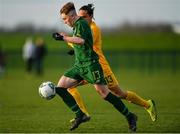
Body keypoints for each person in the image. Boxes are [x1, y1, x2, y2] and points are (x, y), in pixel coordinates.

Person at [53, 2, 137, 132]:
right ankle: (79, 115)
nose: (64, 21)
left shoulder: (81, 23)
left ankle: (130, 116)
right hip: (79, 66)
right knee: (60, 87)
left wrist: (64, 38)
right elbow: (80, 44)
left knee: (104, 94)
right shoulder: (76, 25)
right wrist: (72, 46)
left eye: (65, 18)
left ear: (72, 15)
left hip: (91, 66)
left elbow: (81, 40)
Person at [67, 4, 157, 123]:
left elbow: (83, 42)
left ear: (90, 16)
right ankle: (83, 114)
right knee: (69, 86)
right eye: (79, 16)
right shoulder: (83, 27)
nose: (80, 19)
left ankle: (147, 104)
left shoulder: (94, 29)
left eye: (83, 17)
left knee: (119, 93)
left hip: (100, 67)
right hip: (88, 66)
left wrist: (68, 41)